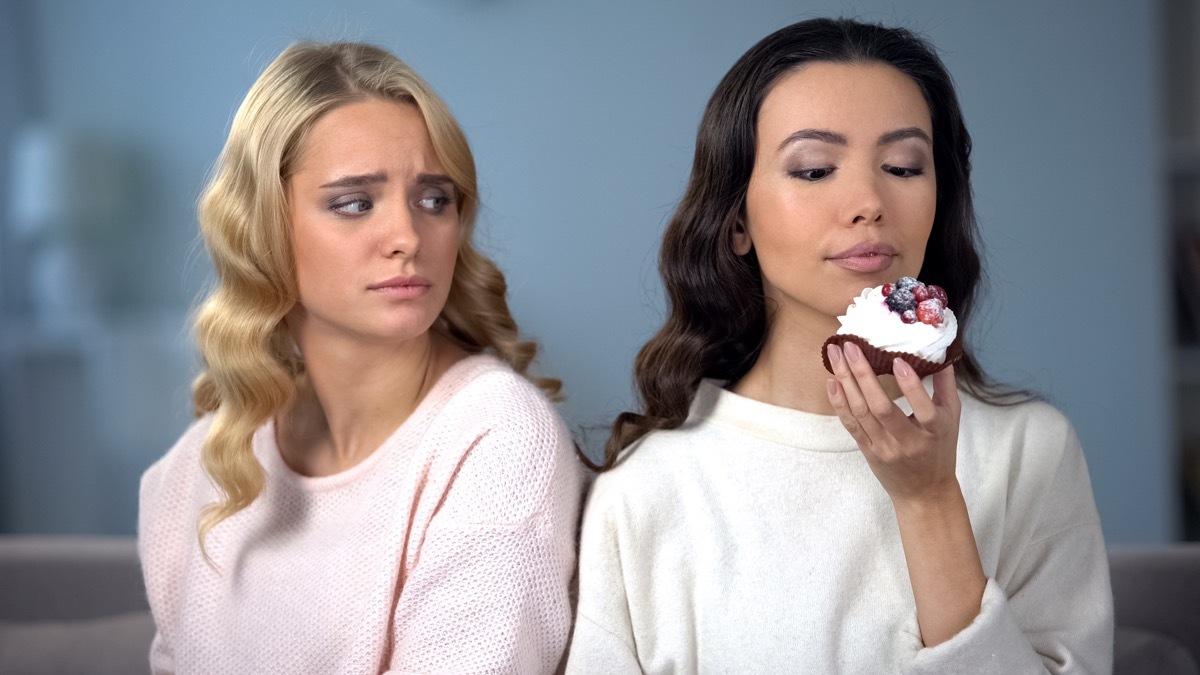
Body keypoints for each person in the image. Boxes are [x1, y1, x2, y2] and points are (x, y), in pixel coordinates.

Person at [567, 17, 1112, 674]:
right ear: (736, 220)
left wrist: (929, 499)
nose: (868, 201)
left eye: (903, 166)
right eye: (816, 168)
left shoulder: (1029, 450)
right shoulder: (648, 488)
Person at [138, 41, 582, 673]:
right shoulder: (197, 470)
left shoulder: (497, 438)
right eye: (355, 203)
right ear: (262, 225)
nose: (407, 238)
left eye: (435, 200)